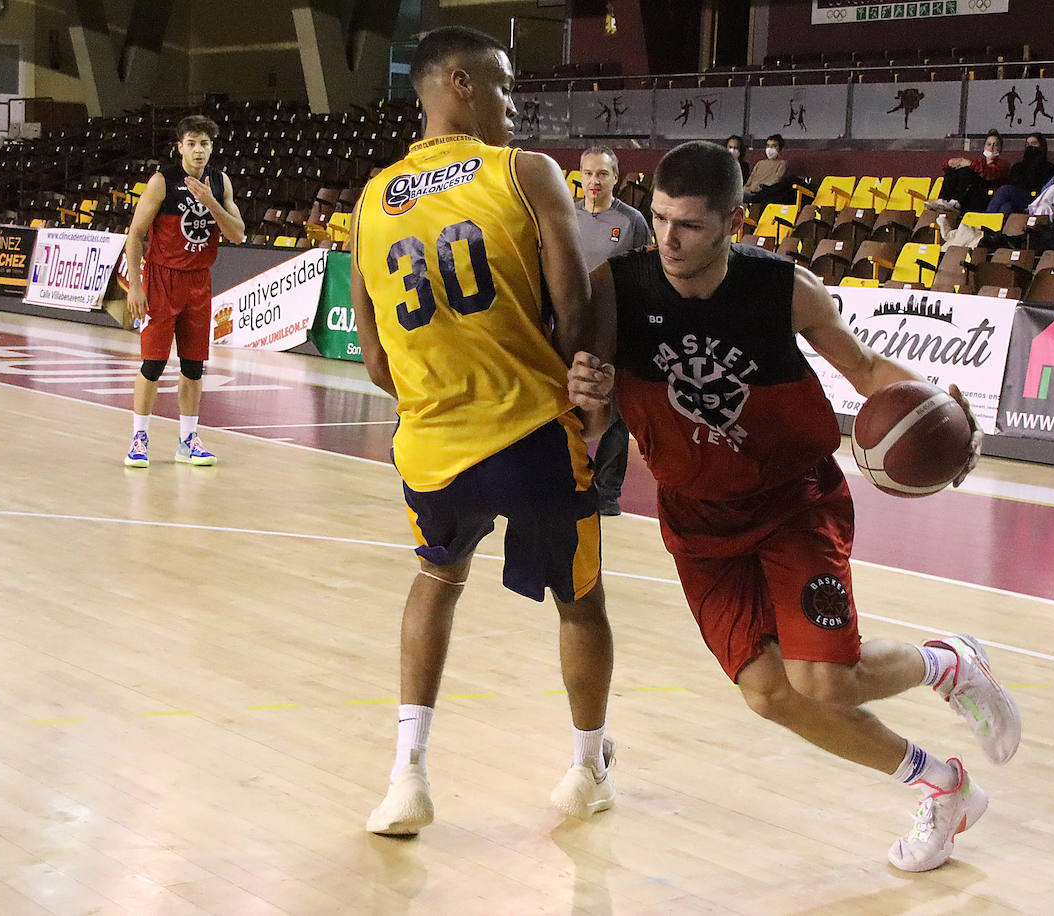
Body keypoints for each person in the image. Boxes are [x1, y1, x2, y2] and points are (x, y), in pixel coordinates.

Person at [572, 141, 1020, 872]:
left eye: (688, 224)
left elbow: (866, 368)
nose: (669, 240)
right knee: (771, 695)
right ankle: (942, 786)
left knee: (824, 679)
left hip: (792, 502)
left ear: (732, 222)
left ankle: (950, 662)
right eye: (658, 219)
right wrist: (587, 402)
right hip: (697, 518)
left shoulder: (783, 287)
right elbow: (594, 421)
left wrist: (947, 413)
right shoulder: (616, 288)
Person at [350, 26, 618, 837]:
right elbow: (573, 305)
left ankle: (407, 777)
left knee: (436, 581)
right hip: (533, 430)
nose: (512, 102)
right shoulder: (524, 171)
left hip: (431, 445)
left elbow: (370, 358)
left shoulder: (370, 197)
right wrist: (580, 374)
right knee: (579, 602)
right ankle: (585, 768)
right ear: (459, 82)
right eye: (502, 86)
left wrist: (436, 391)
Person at [122, 115, 245, 468]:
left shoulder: (220, 183)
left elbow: (237, 233)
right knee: (153, 364)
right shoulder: (163, 181)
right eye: (191, 143)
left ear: (212, 148)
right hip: (162, 281)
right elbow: (135, 235)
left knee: (194, 367)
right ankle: (139, 438)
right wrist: (135, 284)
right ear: (180, 147)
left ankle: (187, 440)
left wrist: (212, 203)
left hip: (197, 283)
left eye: (204, 144)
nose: (198, 150)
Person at [576, 145, 650, 516]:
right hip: (572, 322)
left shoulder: (633, 220)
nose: (594, 181)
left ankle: (607, 491)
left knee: (615, 408)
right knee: (563, 401)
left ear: (615, 179)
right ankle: (565, 477)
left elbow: (643, 274)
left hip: (616, 326)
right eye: (588, 173)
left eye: (602, 174)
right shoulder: (565, 215)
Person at [925, 129, 1010, 217]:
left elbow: (990, 173)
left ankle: (955, 203)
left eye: (995, 145)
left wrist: (970, 164)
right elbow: (953, 165)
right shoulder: (979, 162)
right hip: (971, 196)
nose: (991, 148)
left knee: (967, 169)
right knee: (955, 169)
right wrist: (951, 163)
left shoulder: (1004, 164)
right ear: (984, 146)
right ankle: (943, 200)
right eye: (988, 144)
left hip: (985, 199)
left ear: (1000, 149)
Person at [986, 132, 1054, 215]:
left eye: (1033, 144)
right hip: (1018, 200)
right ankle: (991, 227)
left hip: (1036, 201)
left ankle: (986, 219)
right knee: (1007, 207)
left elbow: (1044, 189)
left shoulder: (1049, 167)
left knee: (1006, 189)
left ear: (1041, 146)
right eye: (1028, 144)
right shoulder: (1018, 166)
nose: (1030, 147)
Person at [743, 133, 789, 204]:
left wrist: (760, 187)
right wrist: (746, 188)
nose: (770, 149)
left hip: (765, 193)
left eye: (774, 146)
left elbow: (776, 179)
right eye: (768, 146)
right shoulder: (760, 163)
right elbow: (751, 178)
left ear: (780, 149)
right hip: (750, 191)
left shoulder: (782, 163)